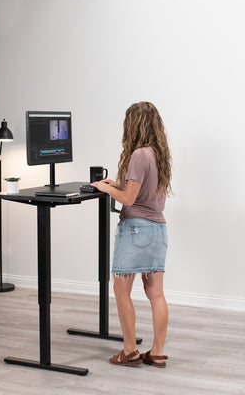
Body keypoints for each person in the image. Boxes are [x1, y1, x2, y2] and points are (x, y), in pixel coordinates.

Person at [91, 101, 172, 368]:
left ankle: (129, 351)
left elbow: (128, 198)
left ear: (134, 125)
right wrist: (118, 184)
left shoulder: (139, 154)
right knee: (156, 294)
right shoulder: (158, 154)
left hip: (136, 230)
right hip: (158, 230)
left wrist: (106, 189)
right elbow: (139, 190)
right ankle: (157, 352)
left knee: (121, 290)